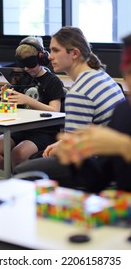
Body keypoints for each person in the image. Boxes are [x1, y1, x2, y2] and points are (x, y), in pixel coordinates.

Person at [13, 26, 126, 190]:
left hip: (100, 164)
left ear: (74, 54)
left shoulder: (79, 93)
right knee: (41, 155)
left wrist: (60, 148)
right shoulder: (100, 75)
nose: (50, 57)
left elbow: (74, 154)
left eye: (55, 50)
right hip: (116, 158)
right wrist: (60, 145)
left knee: (22, 171)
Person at [0, 36, 65, 171]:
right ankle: (17, 174)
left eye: (30, 63)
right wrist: (5, 97)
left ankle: (22, 177)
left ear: (41, 59)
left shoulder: (52, 81)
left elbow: (55, 111)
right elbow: (9, 107)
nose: (26, 68)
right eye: (22, 64)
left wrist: (27, 100)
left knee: (18, 154)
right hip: (21, 128)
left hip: (44, 131)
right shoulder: (21, 79)